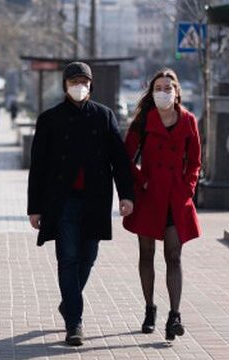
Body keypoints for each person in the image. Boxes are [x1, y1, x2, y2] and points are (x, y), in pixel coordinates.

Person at [27, 62, 135, 346]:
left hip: (95, 200)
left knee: (88, 257)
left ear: (91, 85)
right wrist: (34, 208)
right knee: (68, 258)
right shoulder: (50, 119)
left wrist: (126, 195)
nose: (79, 87)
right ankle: (74, 322)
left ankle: (69, 302)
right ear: (65, 85)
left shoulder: (103, 116)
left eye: (84, 82)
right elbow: (38, 167)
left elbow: (119, 160)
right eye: (74, 81)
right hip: (62, 201)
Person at [122, 68, 201, 341]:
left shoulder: (189, 120)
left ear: (177, 92)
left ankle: (174, 315)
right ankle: (149, 309)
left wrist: (188, 188)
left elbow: (195, 162)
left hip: (176, 198)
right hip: (149, 196)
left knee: (174, 255)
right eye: (158, 88)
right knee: (146, 254)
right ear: (151, 92)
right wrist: (142, 181)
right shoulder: (143, 121)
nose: (163, 92)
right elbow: (125, 159)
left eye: (168, 88)